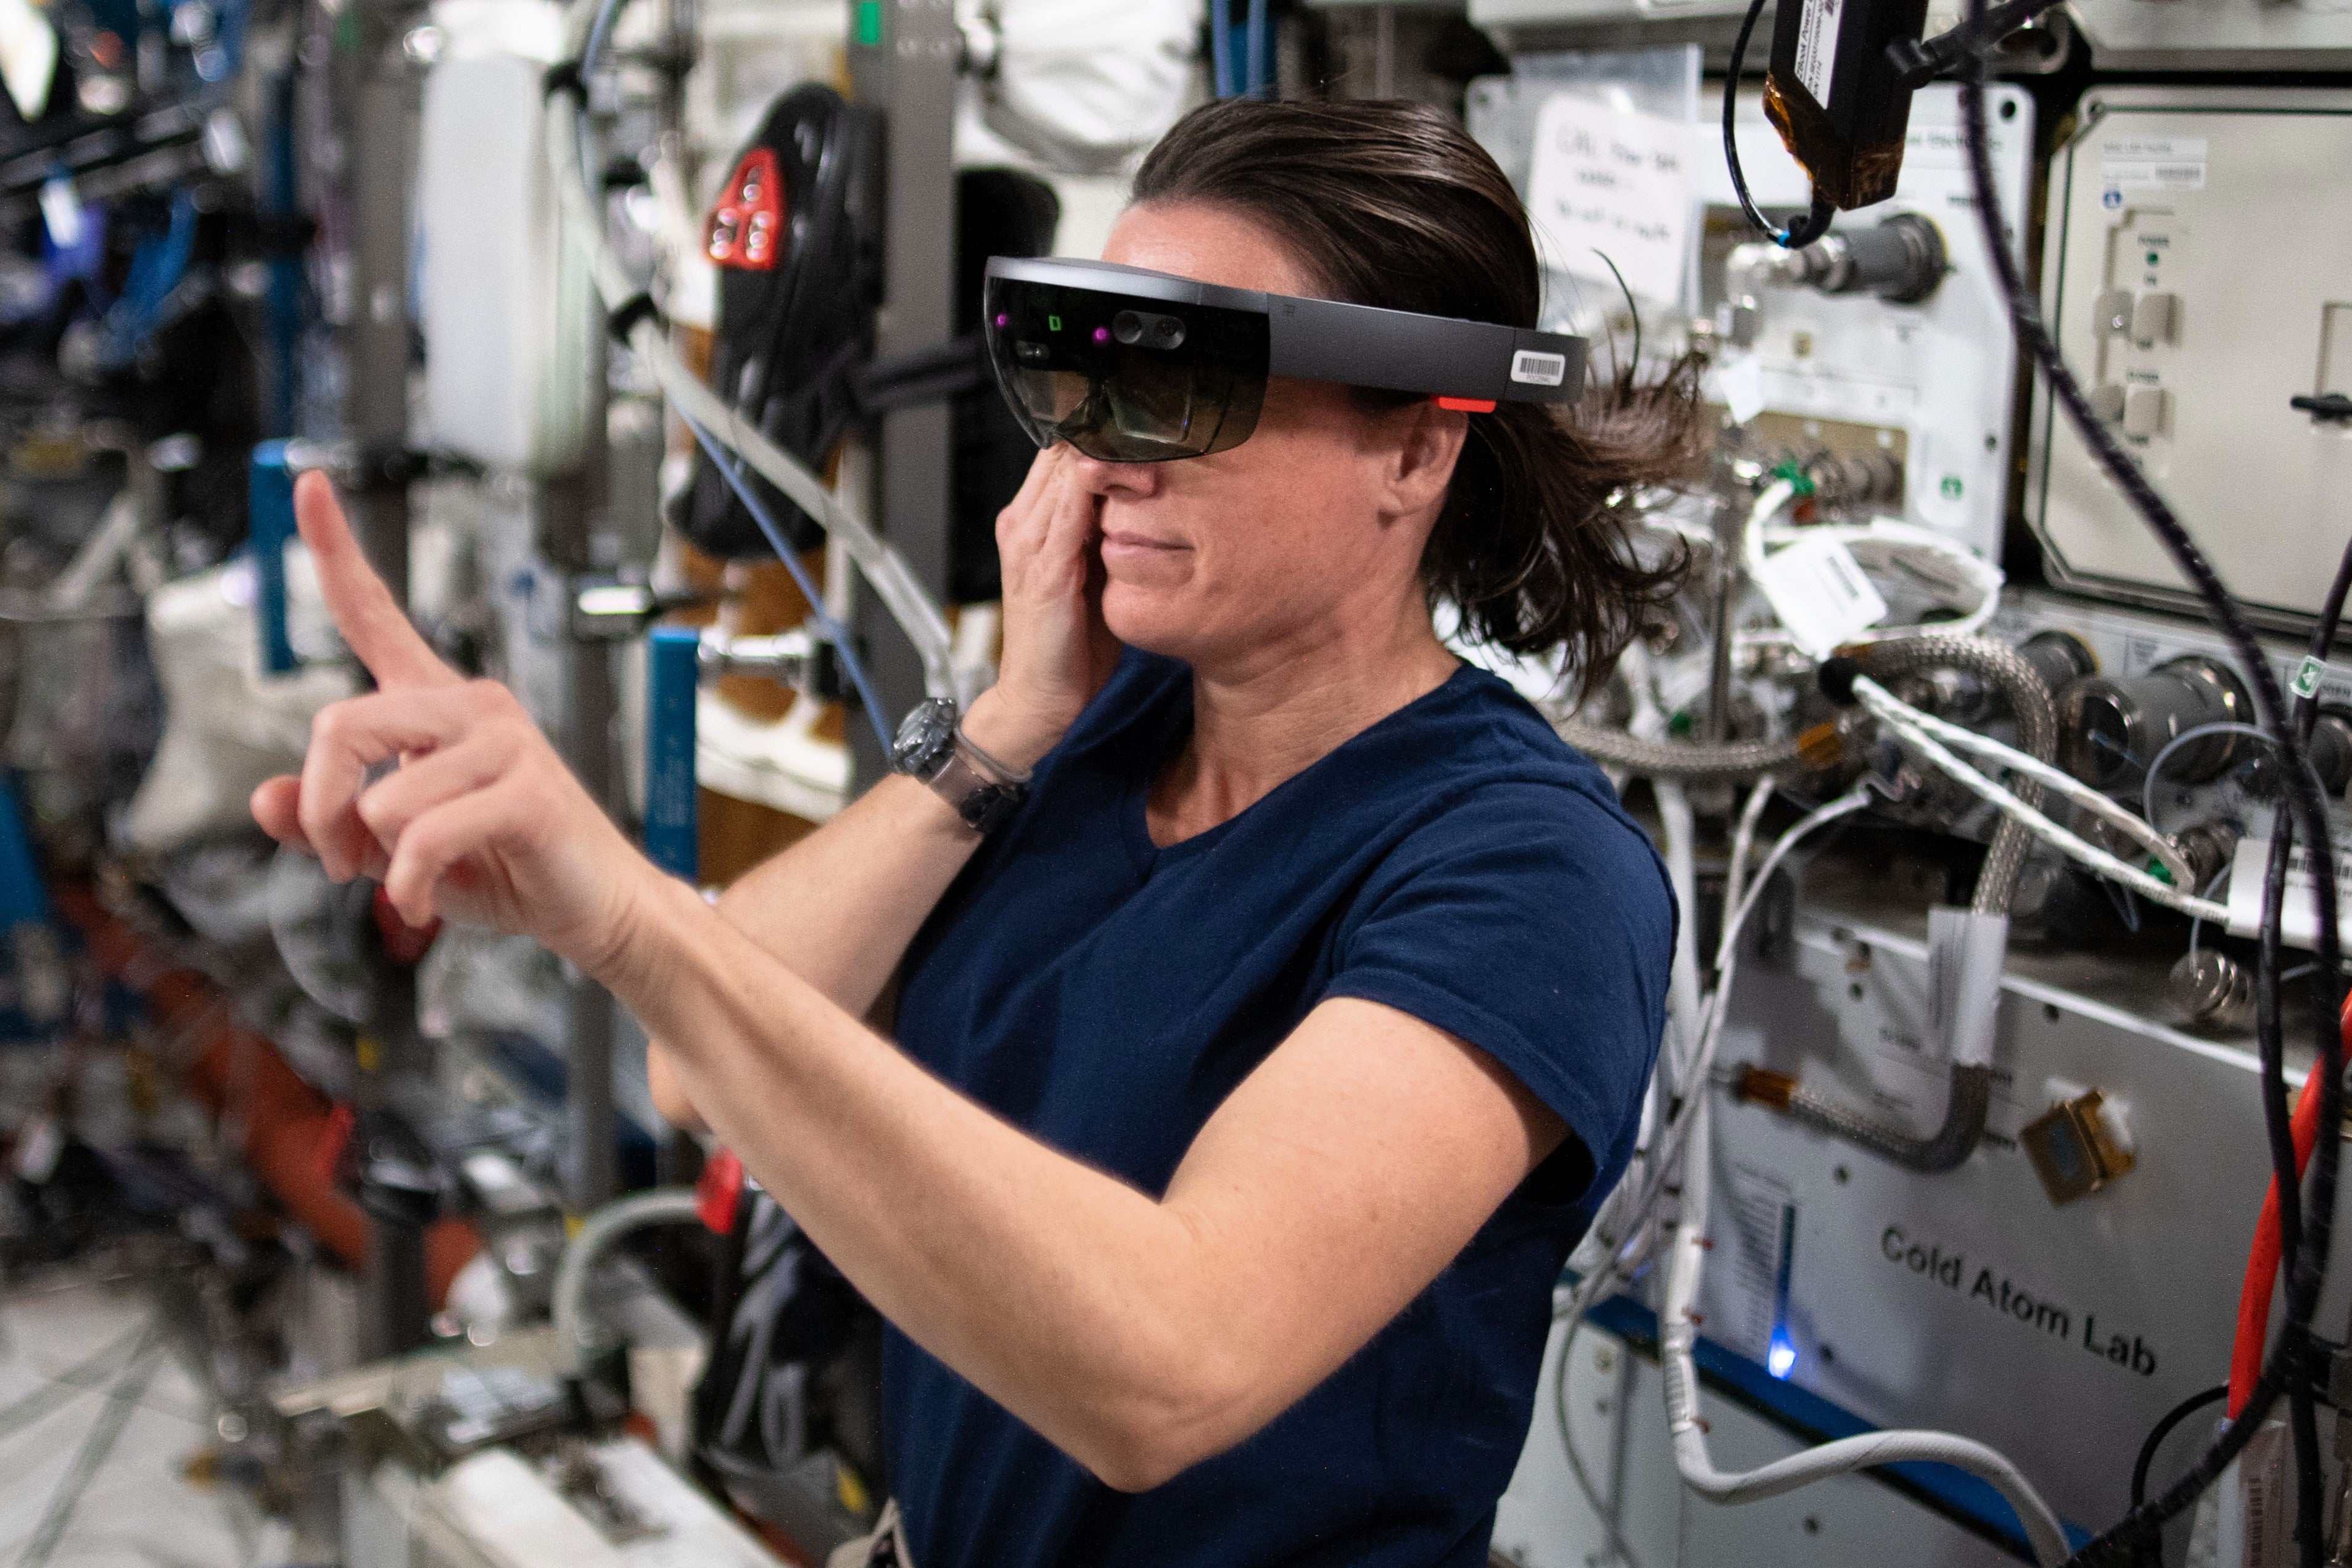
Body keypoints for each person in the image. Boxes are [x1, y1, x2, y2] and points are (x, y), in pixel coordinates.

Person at [255, 97, 1702, 1568]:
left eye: (1179, 384)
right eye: (1075, 376)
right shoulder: (1084, 734)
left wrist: (623, 911)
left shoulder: (1523, 867)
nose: (1099, 457)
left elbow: (1168, 1362)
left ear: (1413, 447)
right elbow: (706, 1065)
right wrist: (1006, 722)